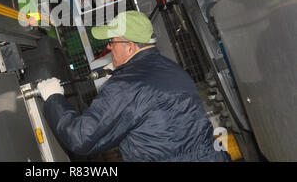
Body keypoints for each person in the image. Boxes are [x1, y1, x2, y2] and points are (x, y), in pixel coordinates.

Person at [37, 11, 231, 162]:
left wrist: (54, 98)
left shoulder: (124, 86)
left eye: (112, 42)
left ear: (129, 47)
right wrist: (123, 70)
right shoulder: (173, 69)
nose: (109, 47)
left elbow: (80, 137)